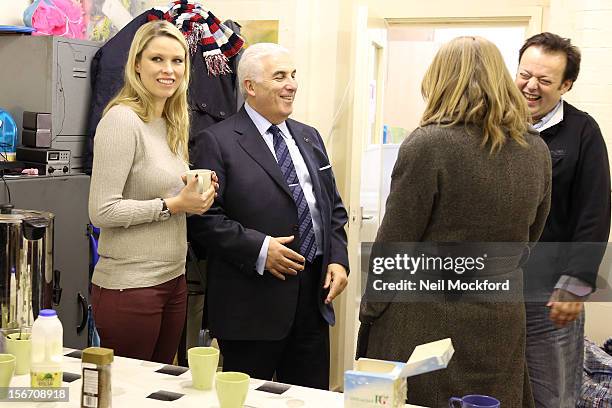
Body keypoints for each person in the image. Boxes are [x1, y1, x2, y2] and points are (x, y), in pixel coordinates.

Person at [358, 36, 552, 407]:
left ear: (441, 79)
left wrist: (371, 311)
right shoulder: (536, 149)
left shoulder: (428, 144)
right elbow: (533, 234)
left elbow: (395, 244)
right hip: (501, 314)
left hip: (424, 319)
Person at [188, 43, 349, 389]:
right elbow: (202, 219)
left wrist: (338, 259)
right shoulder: (215, 141)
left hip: (313, 299)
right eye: (280, 77)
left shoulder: (310, 136)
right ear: (250, 86)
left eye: (293, 75)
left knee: (310, 398)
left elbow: (332, 208)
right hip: (251, 305)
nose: (291, 84)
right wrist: (260, 249)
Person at [88, 20, 217, 364]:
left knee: (159, 388)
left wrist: (193, 192)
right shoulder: (121, 120)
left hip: (172, 281)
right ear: (136, 65)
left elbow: (158, 187)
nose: (168, 70)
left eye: (177, 61)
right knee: (131, 392)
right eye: (157, 59)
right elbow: (102, 211)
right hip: (130, 286)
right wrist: (174, 204)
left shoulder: (170, 122)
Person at [516, 32, 611, 408]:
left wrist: (575, 285)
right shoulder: (496, 125)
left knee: (553, 396)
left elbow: (594, 214)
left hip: (549, 294)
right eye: (525, 74)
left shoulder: (582, 132)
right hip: (495, 287)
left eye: (545, 80)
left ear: (566, 85)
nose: (530, 87)